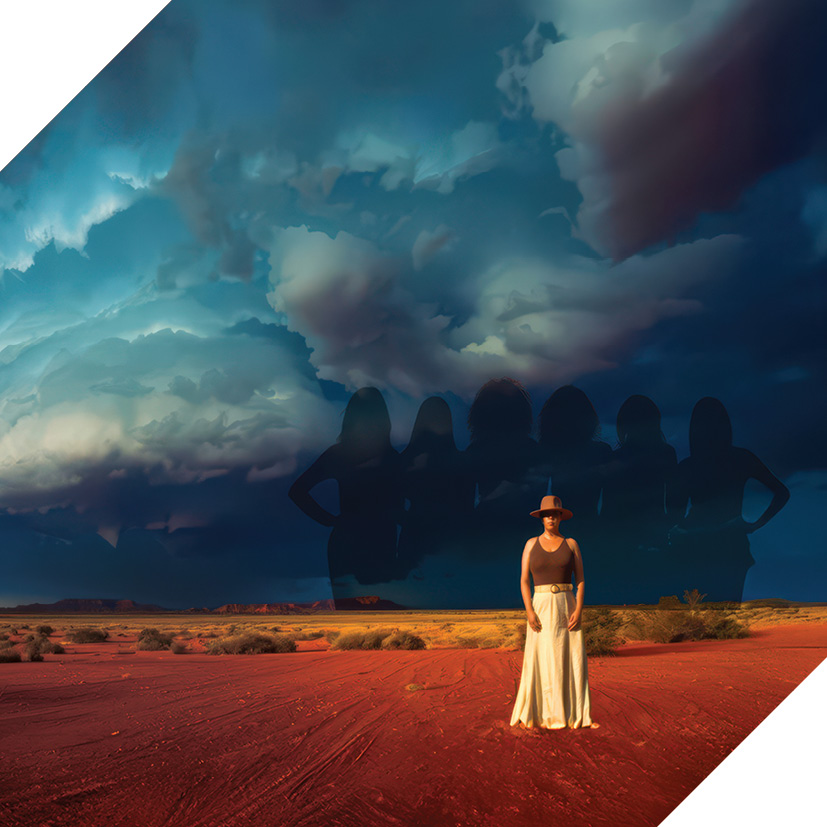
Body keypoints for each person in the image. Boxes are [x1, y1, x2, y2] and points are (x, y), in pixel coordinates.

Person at [666, 397, 790, 602]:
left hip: (697, 545)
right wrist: (754, 524)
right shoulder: (741, 458)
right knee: (728, 607)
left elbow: (674, 514)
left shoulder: (688, 466)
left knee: (699, 609)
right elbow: (782, 493)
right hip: (731, 544)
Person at [288, 387, 404, 604]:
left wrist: (331, 520)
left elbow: (297, 491)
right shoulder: (391, 458)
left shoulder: (340, 454)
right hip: (377, 541)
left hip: (354, 541)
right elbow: (297, 491)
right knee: (379, 614)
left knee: (355, 613)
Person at [510, 495, 597, 730]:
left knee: (569, 657)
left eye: (555, 514)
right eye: (547, 514)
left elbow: (580, 580)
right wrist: (529, 610)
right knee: (540, 656)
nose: (551, 518)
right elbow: (524, 581)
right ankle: (538, 714)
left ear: (560, 517)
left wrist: (579, 609)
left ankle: (576, 714)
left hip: (566, 604)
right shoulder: (530, 544)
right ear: (541, 518)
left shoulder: (571, 544)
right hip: (540, 604)